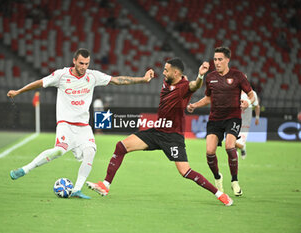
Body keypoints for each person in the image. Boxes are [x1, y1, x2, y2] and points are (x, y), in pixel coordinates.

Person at [7, 48, 154, 199]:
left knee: (90, 152)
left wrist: (142, 79)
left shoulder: (93, 76)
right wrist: (18, 91)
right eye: (81, 63)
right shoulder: (61, 75)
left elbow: (118, 80)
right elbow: (40, 83)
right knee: (59, 150)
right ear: (74, 61)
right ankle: (25, 169)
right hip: (65, 124)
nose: (84, 67)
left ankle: (77, 189)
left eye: (87, 64)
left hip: (83, 126)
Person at [87, 58, 234, 206]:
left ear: (175, 73)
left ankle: (220, 194)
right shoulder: (168, 82)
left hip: (173, 137)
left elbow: (194, 85)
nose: (163, 72)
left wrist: (200, 76)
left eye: (166, 70)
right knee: (121, 146)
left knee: (185, 171)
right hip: (157, 131)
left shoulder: (184, 87)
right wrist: (145, 78)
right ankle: (105, 185)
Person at [187, 47, 255, 197]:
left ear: (227, 60)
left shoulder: (237, 76)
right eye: (215, 59)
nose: (217, 62)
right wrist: (194, 105)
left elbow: (251, 94)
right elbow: (208, 98)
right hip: (215, 119)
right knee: (210, 152)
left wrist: (248, 103)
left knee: (229, 146)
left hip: (233, 117)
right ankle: (218, 178)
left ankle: (235, 181)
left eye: (220, 59)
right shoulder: (210, 77)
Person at [236, 89, 260, 159]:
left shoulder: (252, 93)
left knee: (238, 144)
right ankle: (234, 161)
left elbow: (257, 106)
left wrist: (257, 118)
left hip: (245, 123)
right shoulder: (233, 91)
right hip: (234, 121)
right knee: (231, 143)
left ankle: (243, 147)